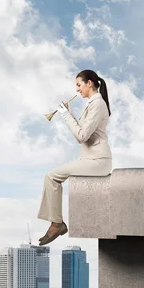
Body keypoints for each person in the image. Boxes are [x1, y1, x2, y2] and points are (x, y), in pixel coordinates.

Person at [37, 69, 113, 246]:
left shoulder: (98, 104)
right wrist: (69, 114)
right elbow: (83, 132)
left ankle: (57, 224)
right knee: (52, 176)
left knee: (52, 176)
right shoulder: (93, 104)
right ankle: (56, 222)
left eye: (79, 85)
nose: (77, 90)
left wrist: (65, 114)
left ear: (89, 83)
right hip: (90, 159)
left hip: (98, 161)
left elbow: (81, 136)